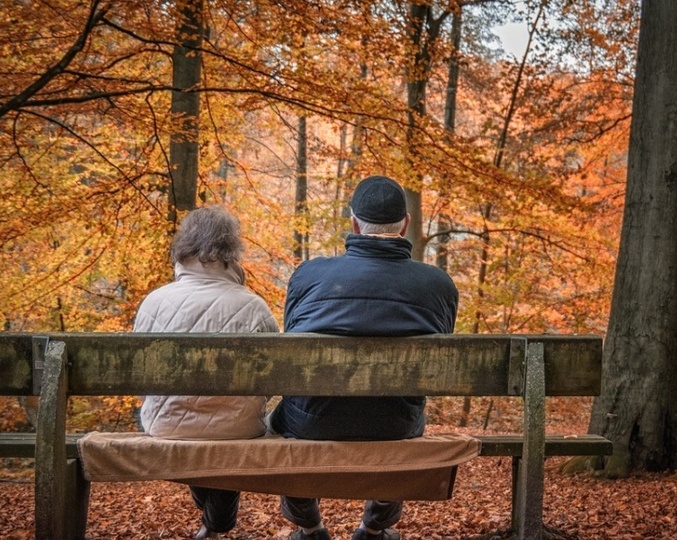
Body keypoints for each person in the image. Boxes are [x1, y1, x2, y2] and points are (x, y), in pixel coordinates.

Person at [269, 175, 460, 540]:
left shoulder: (309, 275)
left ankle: (309, 527)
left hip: (312, 422)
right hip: (395, 424)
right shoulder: (437, 285)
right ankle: (374, 529)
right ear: (404, 225)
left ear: (354, 223)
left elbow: (292, 342)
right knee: (400, 410)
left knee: (287, 416)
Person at [134, 205, 279, 540]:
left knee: (199, 433)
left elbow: (142, 381)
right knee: (226, 430)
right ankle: (218, 525)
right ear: (232, 252)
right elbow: (270, 382)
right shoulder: (253, 306)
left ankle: (215, 525)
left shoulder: (153, 303)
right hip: (238, 427)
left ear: (183, 248)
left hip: (165, 424)